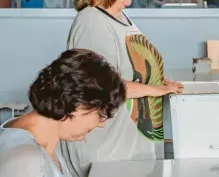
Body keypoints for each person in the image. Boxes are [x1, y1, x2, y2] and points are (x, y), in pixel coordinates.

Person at [61, 0, 183, 177]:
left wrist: (157, 81)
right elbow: (97, 85)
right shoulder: (92, 22)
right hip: (108, 152)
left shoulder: (119, 16)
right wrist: (152, 89)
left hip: (130, 149)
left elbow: (129, 69)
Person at [0, 49, 126, 177]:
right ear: (79, 104)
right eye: (101, 114)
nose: (101, 124)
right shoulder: (24, 159)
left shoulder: (44, 142)